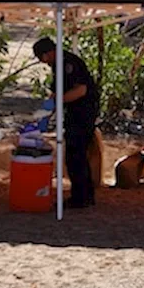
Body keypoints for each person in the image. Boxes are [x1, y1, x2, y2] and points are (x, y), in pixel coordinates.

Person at [32, 37, 99, 208]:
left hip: (83, 113)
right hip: (72, 114)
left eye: (43, 58)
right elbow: (56, 93)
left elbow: (81, 90)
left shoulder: (69, 63)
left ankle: (81, 198)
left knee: (75, 155)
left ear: (49, 53)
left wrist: (58, 102)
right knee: (74, 155)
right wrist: (45, 114)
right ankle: (84, 195)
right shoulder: (57, 65)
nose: (43, 62)